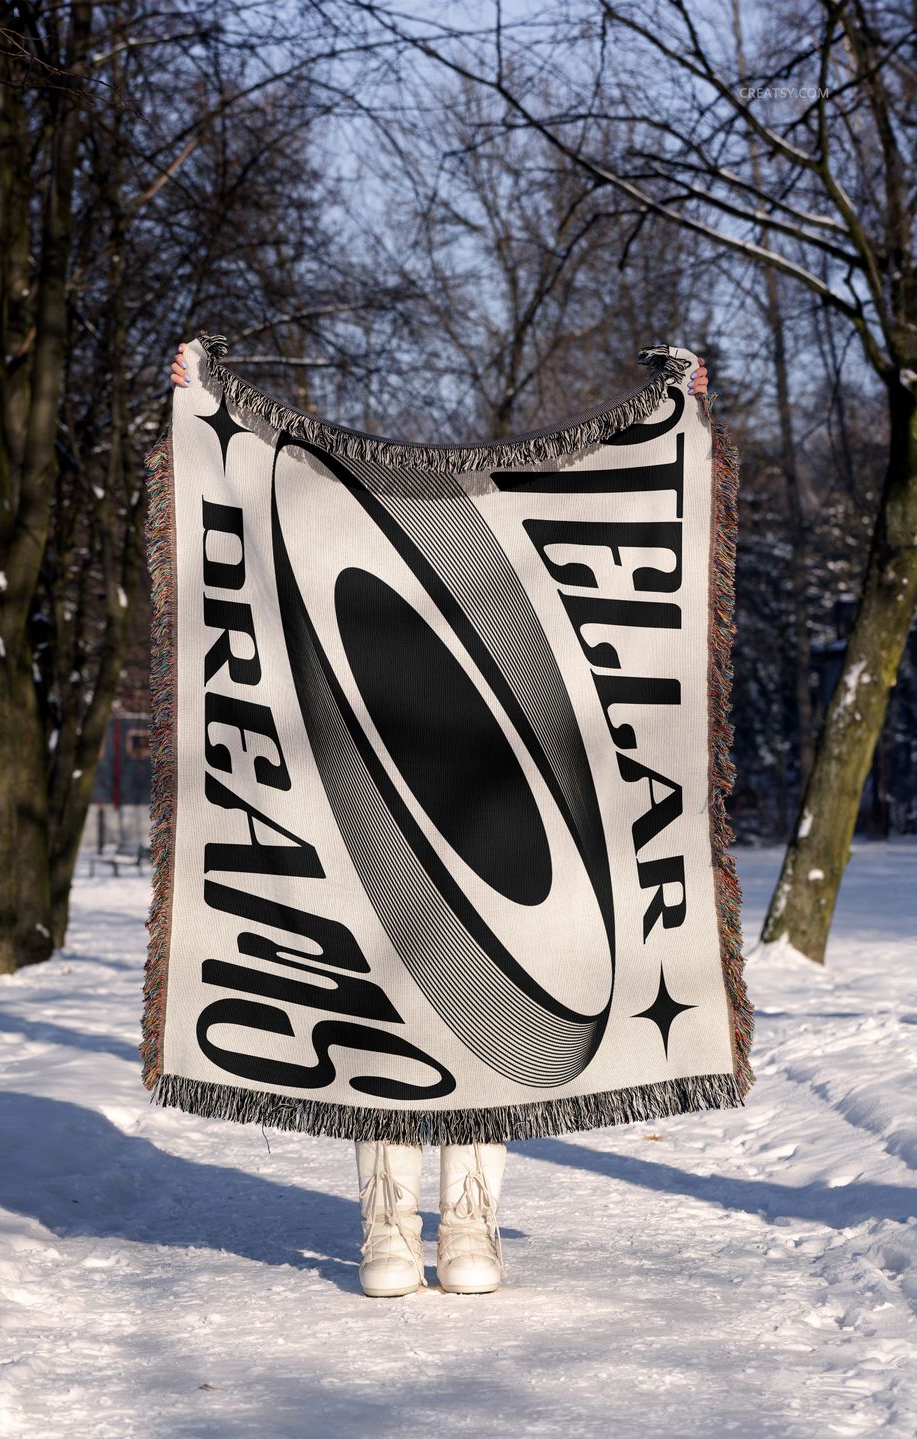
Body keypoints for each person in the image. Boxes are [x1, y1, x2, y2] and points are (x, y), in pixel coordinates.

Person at [167, 341, 709, 1297]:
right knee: (385, 997)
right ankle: (386, 1219)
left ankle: (469, 1218)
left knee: (498, 1005)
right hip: (380, 784)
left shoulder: (501, 589)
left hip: (493, 793)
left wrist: (671, 418)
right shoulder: (367, 594)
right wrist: (202, 398)